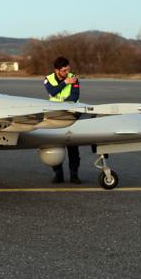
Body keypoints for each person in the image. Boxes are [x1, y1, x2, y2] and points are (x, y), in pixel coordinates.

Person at [43, 56, 81, 184]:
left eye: (68, 69)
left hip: (70, 115)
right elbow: (52, 92)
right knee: (54, 145)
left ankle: (74, 175)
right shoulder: (48, 79)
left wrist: (64, 106)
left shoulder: (73, 77)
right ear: (56, 70)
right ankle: (58, 174)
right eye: (64, 70)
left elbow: (75, 96)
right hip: (54, 116)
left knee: (73, 147)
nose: (67, 73)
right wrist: (65, 83)